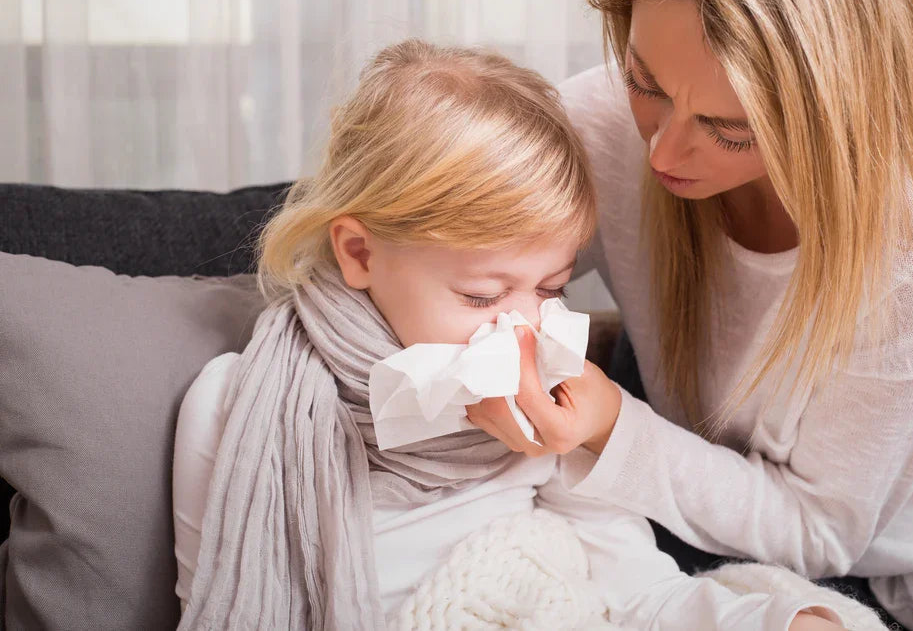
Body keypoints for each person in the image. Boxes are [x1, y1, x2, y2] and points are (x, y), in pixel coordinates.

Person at [170, 39, 862, 630]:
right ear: (358, 253)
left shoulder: (546, 408)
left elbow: (638, 594)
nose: (522, 323)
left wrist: (773, 620)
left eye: (553, 286)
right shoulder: (236, 406)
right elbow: (219, 597)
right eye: (480, 294)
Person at [466, 0, 913, 630]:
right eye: (644, 83)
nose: (662, 149)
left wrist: (609, 427)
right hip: (714, 480)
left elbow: (819, 531)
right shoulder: (600, 125)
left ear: (847, 109)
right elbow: (424, 250)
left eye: (730, 128)